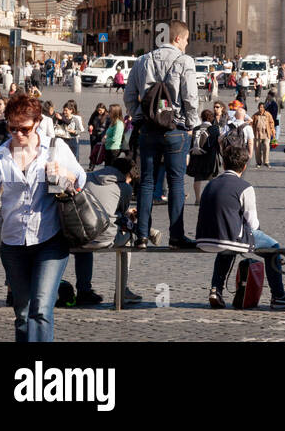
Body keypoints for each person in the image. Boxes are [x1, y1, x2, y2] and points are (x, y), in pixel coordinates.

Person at [0, 93, 86, 341]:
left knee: (41, 309)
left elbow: (81, 179)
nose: (18, 134)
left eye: (23, 129)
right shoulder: (0, 155)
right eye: (12, 128)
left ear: (37, 123)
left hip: (50, 239)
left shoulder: (55, 148)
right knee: (22, 312)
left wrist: (64, 172)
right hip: (13, 244)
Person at [196, 136, 285, 309]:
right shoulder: (245, 188)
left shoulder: (210, 184)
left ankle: (216, 289)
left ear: (223, 164)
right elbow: (252, 223)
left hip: (204, 238)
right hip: (228, 238)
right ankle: (278, 296)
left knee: (227, 247)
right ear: (244, 167)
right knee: (274, 248)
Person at [124, 19, 200, 249]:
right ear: (177, 38)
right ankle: (176, 236)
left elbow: (129, 96)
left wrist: (138, 115)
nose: (187, 44)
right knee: (176, 182)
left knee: (146, 183)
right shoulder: (184, 60)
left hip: (148, 128)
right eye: (186, 39)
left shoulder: (142, 60)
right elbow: (190, 97)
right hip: (175, 129)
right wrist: (191, 124)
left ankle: (142, 236)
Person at [72, 153, 147, 306]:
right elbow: (121, 213)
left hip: (79, 235)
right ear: (127, 175)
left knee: (85, 247)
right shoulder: (123, 187)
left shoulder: (87, 177)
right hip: (105, 238)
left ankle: (83, 290)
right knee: (129, 240)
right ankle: (122, 290)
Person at [187, 109, 224, 205]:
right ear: (211, 118)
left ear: (201, 117)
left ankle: (197, 199)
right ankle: (210, 198)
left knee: (197, 178)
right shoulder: (214, 129)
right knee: (211, 178)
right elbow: (218, 143)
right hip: (210, 156)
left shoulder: (196, 128)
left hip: (197, 156)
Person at [251, 102, 275, 169]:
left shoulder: (268, 114)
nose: (260, 108)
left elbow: (271, 123)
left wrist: (273, 132)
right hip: (257, 134)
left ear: (264, 108)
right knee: (257, 148)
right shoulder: (255, 115)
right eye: (259, 107)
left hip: (266, 134)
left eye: (261, 107)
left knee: (266, 147)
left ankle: (266, 162)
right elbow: (251, 123)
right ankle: (258, 162)